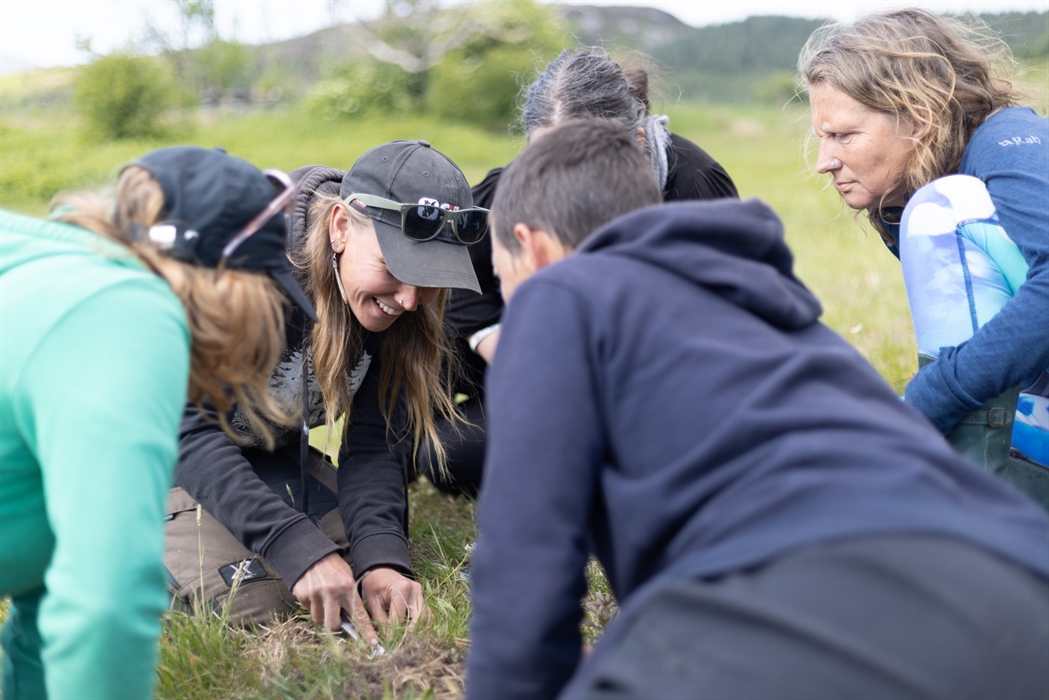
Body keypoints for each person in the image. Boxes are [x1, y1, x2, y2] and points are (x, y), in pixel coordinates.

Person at [464, 118, 1049, 699]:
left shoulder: (559, 293)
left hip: (806, 609)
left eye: (502, 274)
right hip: (1013, 586)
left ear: (532, 247)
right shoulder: (791, 325)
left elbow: (524, 577)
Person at [0, 146, 310, 699]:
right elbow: (107, 601)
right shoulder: (129, 318)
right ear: (222, 284)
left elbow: (51, 591)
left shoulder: (42, 258)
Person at [167, 140, 485, 643]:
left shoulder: (403, 303)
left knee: (351, 567)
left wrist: (382, 557)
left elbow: (376, 438)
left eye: (429, 280)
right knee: (254, 601)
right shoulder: (241, 272)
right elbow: (180, 426)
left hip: (254, 447)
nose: (408, 300)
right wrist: (292, 544)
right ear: (340, 227)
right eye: (394, 268)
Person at [424, 48, 740, 496]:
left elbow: (718, 336)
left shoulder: (693, 186)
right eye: (541, 156)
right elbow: (457, 280)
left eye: (576, 157)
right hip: (532, 367)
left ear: (634, 139)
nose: (553, 176)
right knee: (445, 455)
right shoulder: (515, 183)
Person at [798, 9, 1049, 509]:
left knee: (940, 211)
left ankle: (977, 537)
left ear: (918, 115)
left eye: (844, 135)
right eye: (823, 136)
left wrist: (932, 398)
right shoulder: (904, 188)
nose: (824, 160)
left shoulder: (1006, 146)